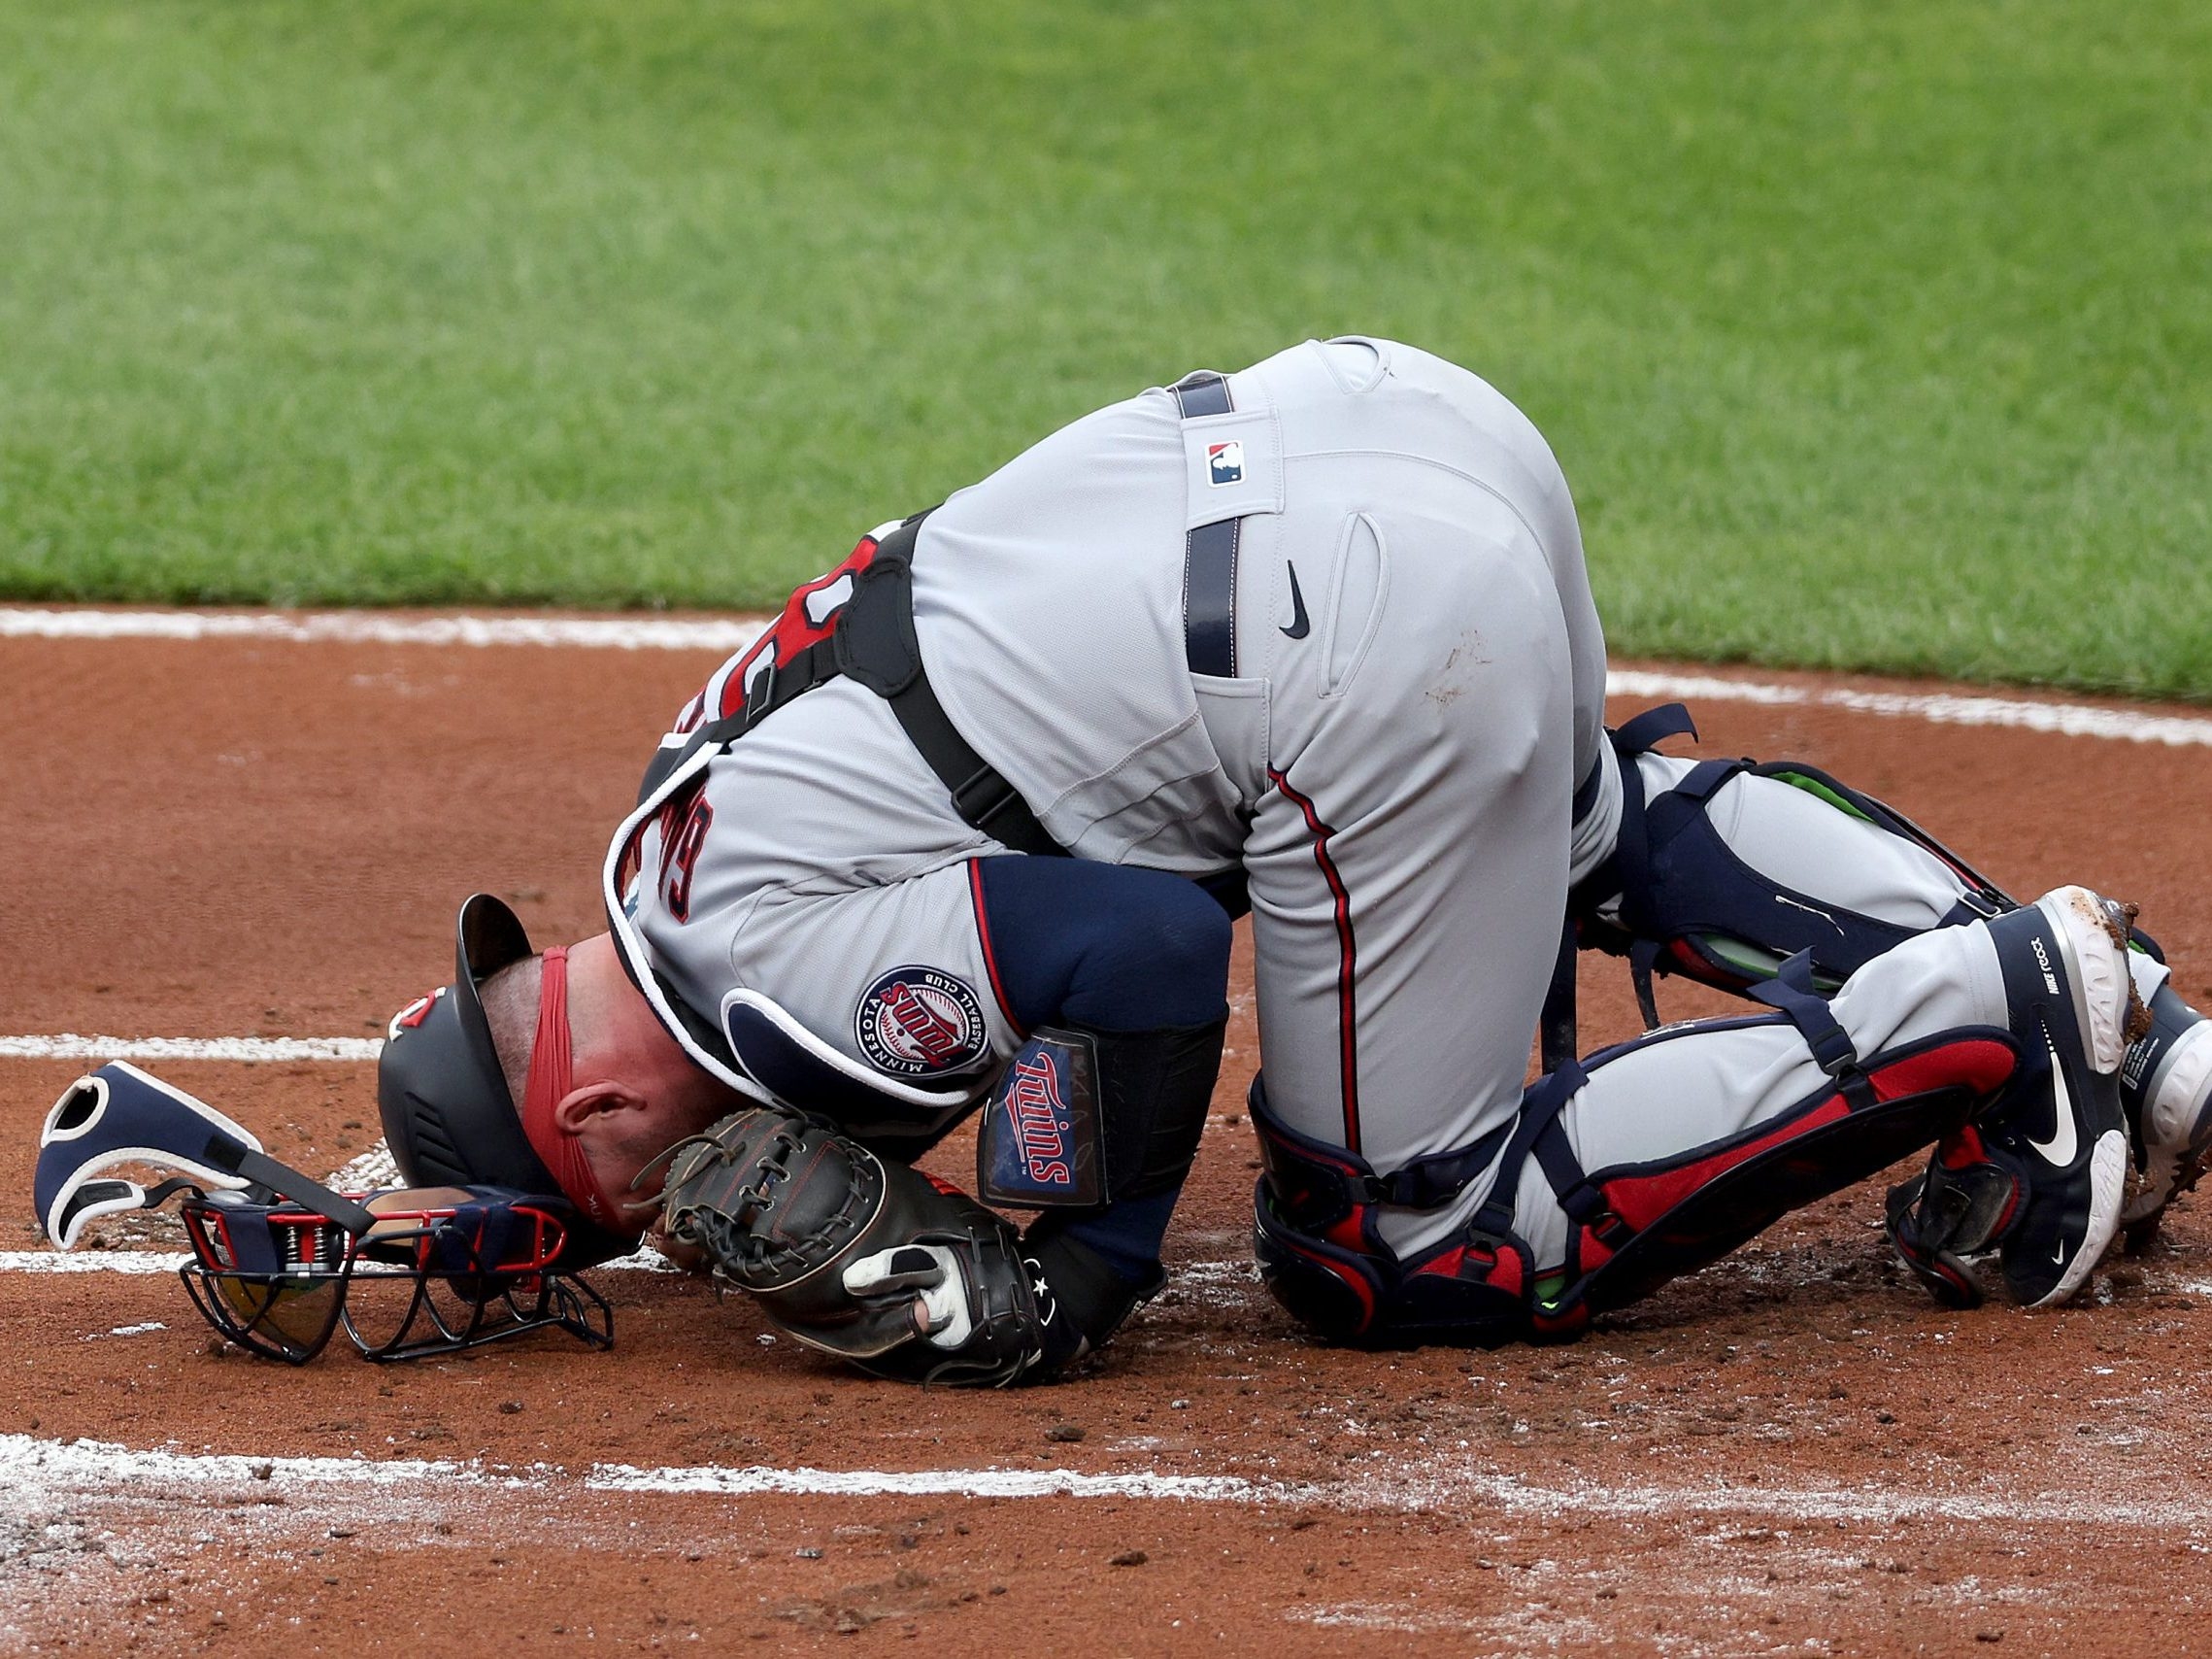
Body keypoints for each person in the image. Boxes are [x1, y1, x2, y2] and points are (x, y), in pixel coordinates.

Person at [375, 336, 2212, 1383]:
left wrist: (1081, 1271)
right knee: (1557, 836)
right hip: (1399, 421)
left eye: (631, 1205)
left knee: (1395, 1243)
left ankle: (1992, 999)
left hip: (1361, 635)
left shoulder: (754, 982)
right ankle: (2141, 1041)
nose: (689, 1224)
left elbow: (1149, 954)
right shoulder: (673, 808)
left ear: (603, 1113)